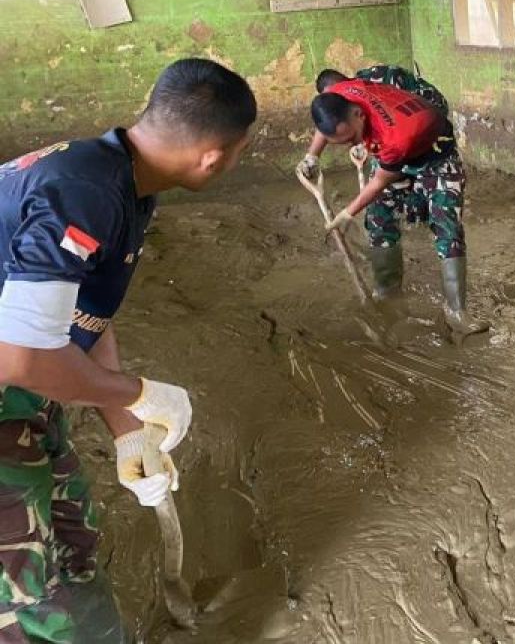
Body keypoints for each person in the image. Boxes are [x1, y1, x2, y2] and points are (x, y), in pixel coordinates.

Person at [0, 58, 257, 642]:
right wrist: (138, 392)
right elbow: (21, 357)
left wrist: (128, 430)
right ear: (214, 157)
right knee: (22, 590)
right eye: (240, 152)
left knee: (73, 541)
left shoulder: (126, 184)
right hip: (13, 375)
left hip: (22, 395)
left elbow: (86, 314)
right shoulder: (83, 192)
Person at [296, 68, 486, 334]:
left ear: (358, 114)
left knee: (447, 224)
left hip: (435, 155)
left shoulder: (396, 137)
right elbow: (326, 119)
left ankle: (456, 311)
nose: (351, 144)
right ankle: (387, 293)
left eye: (351, 138)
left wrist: (348, 213)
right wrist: (312, 156)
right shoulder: (338, 93)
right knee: (378, 217)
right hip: (395, 145)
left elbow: (380, 181)